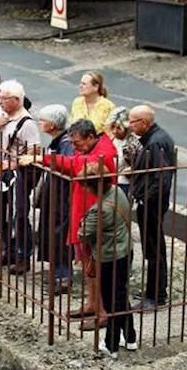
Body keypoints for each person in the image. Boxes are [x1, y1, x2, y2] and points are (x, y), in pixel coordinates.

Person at [27, 119, 118, 316]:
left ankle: (102, 311)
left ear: (91, 137)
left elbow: (77, 164)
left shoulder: (102, 153)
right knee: (89, 267)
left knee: (96, 266)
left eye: (77, 143)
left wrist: (46, 159)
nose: (74, 147)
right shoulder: (89, 148)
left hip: (94, 219)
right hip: (83, 213)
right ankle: (92, 304)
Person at [77, 161, 138, 359]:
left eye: (85, 185)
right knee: (121, 295)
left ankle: (111, 344)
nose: (84, 189)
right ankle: (130, 338)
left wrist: (83, 223)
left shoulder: (101, 209)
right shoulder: (117, 193)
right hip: (125, 250)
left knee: (112, 302)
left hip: (109, 256)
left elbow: (83, 234)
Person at [0, 80, 41, 274]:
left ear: (16, 100)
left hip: (17, 176)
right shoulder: (2, 116)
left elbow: (35, 154)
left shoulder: (27, 124)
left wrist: (15, 163)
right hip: (1, 174)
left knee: (18, 215)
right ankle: (8, 251)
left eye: (4, 97)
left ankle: (23, 256)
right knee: (1, 212)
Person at [128, 105, 177, 308]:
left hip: (152, 204)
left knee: (154, 249)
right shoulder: (151, 139)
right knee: (151, 248)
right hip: (149, 201)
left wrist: (145, 197)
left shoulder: (156, 142)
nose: (130, 126)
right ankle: (153, 290)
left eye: (133, 122)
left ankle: (156, 295)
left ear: (144, 123)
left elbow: (161, 178)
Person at [31, 105, 74, 293]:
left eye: (42, 120)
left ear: (52, 124)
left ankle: (63, 278)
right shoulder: (57, 141)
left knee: (60, 237)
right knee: (52, 234)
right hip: (54, 195)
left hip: (62, 198)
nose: (40, 123)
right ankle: (57, 274)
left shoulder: (65, 144)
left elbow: (66, 167)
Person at [106, 106, 143, 197]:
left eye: (119, 128)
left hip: (124, 184)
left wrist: (132, 169)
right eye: (113, 127)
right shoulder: (112, 138)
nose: (115, 131)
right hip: (110, 181)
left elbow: (139, 165)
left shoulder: (132, 144)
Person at [70, 71, 115, 137]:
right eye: (80, 83)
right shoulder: (77, 102)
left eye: (84, 84)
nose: (80, 86)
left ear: (96, 87)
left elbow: (111, 133)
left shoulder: (108, 106)